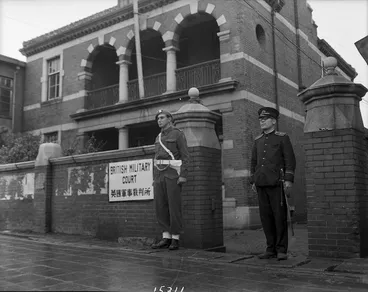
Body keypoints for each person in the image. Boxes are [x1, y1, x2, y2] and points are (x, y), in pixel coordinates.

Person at [250, 107, 296, 261]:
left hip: (277, 183)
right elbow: (254, 162)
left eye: (265, 119)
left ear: (274, 121)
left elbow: (290, 160)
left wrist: (289, 179)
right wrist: (253, 181)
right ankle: (270, 249)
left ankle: (281, 249)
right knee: (266, 218)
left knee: (279, 217)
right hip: (261, 183)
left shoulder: (282, 138)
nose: (262, 121)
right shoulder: (257, 141)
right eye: (260, 119)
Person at [151, 109, 190, 250]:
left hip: (173, 174)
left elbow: (185, 156)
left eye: (162, 117)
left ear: (169, 119)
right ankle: (166, 236)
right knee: (160, 207)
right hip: (160, 175)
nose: (159, 120)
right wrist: (155, 177)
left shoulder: (178, 134)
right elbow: (156, 158)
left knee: (174, 207)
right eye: (158, 118)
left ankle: (175, 238)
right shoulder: (158, 137)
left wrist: (183, 175)